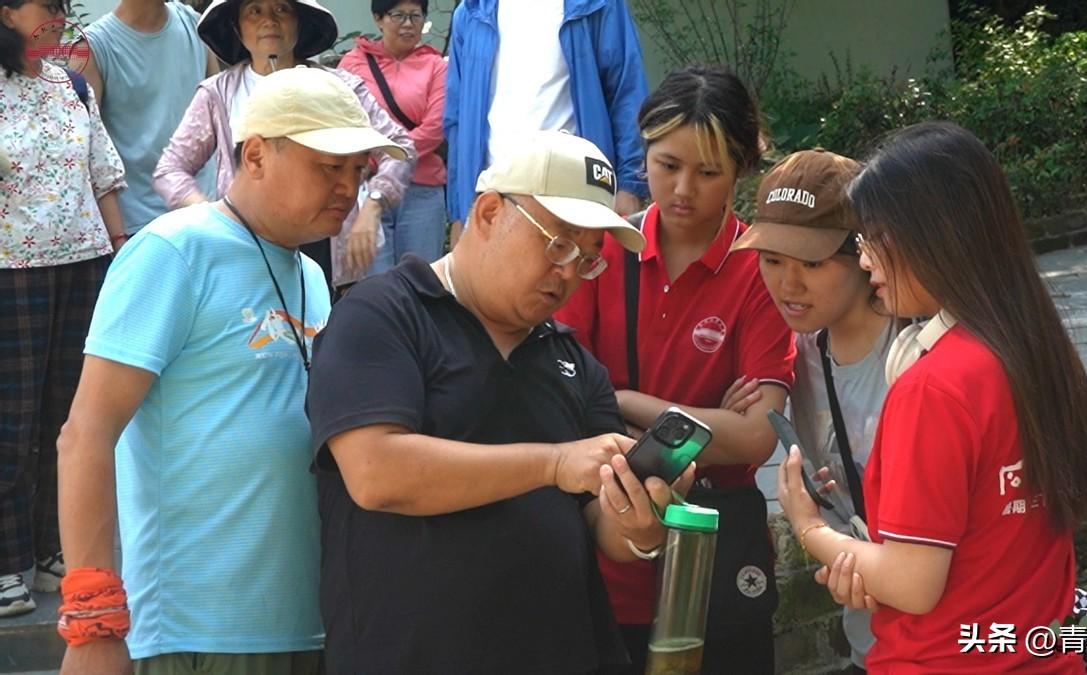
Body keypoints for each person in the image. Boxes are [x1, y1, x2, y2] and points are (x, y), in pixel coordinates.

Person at [55, 67, 406, 674]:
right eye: (329, 166)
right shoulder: (174, 251)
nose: (348, 187)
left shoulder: (313, 277)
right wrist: (92, 622)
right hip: (196, 628)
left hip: (305, 624)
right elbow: (86, 434)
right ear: (255, 155)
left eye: (359, 169)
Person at [306, 130, 690, 674]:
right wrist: (555, 463)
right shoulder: (381, 313)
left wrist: (642, 523)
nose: (568, 273)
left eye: (587, 259)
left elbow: (603, 526)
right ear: (488, 213)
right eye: (557, 243)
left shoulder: (575, 362)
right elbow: (376, 473)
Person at [778, 121, 1087, 673]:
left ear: (934, 236)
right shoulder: (1035, 350)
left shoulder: (935, 387)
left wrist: (808, 527)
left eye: (873, 238)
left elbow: (912, 583)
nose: (865, 261)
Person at [555, 66, 795, 674]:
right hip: (610, 547)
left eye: (709, 172)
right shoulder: (604, 250)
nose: (684, 188)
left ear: (741, 167)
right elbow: (560, 398)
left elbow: (757, 436)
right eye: (667, 165)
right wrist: (704, 424)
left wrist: (626, 398)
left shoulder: (759, 271)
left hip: (716, 555)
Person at [726, 149, 895, 673]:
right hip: (876, 643)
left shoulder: (917, 354)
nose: (787, 284)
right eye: (772, 260)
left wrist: (809, 529)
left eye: (813, 263)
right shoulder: (795, 358)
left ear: (863, 253)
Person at [0, 0, 126, 615]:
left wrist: (121, 250)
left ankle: (53, 548)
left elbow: (103, 175)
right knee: (10, 417)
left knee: (67, 414)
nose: (56, 16)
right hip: (9, 273)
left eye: (62, 6)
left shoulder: (70, 86)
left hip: (84, 266)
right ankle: (4, 562)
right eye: (44, 5)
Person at [154, 0, 416, 290]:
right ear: (237, 27)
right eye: (255, 11)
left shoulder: (340, 88)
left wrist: (372, 207)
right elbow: (171, 169)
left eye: (282, 9)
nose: (269, 20)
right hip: (248, 250)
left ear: (300, 21)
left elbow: (400, 147)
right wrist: (216, 218)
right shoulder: (218, 94)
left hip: (328, 246)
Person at [444, 0, 649, 247]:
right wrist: (458, 212)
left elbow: (627, 93)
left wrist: (629, 185)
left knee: (572, 281)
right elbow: (455, 118)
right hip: (494, 197)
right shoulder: (471, 12)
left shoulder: (596, 5)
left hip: (575, 195)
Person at [82, 0, 220, 235]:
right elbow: (89, 151)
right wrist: (116, 238)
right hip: (142, 227)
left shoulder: (195, 24)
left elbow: (221, 114)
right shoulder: (94, 47)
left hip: (208, 213)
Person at [339, 0, 447, 265]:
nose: (408, 24)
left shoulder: (437, 66)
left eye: (415, 16)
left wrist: (385, 158)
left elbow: (435, 128)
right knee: (376, 282)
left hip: (422, 189)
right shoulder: (353, 64)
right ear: (378, 18)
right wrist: (376, 163)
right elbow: (343, 123)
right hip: (366, 186)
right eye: (398, 15)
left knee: (421, 282)